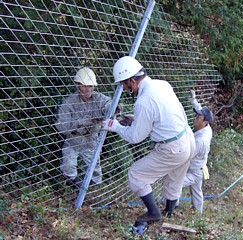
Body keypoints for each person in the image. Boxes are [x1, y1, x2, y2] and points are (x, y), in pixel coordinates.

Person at [102, 56, 196, 224]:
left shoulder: (143, 102)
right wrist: (135, 120)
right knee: (174, 177)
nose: (123, 88)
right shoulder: (161, 84)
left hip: (172, 147)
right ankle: (169, 212)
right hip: (187, 138)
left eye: (123, 84)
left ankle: (153, 213)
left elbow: (135, 137)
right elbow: (160, 116)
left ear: (131, 80)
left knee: (136, 174)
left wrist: (115, 126)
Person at [55, 67, 113, 187]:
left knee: (94, 168)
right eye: (84, 86)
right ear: (77, 86)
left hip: (91, 139)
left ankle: (93, 189)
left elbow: (108, 103)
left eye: (90, 86)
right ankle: (75, 187)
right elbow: (61, 126)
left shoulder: (98, 98)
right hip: (74, 140)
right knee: (68, 165)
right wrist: (78, 123)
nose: (88, 89)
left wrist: (114, 108)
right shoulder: (69, 102)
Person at [176, 90, 214, 214]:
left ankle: (172, 208)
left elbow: (186, 156)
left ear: (204, 122)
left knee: (176, 184)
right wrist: (194, 100)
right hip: (200, 168)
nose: (195, 118)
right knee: (197, 193)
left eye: (198, 117)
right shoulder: (207, 127)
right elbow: (199, 109)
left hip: (195, 171)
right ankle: (198, 214)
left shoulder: (200, 141)